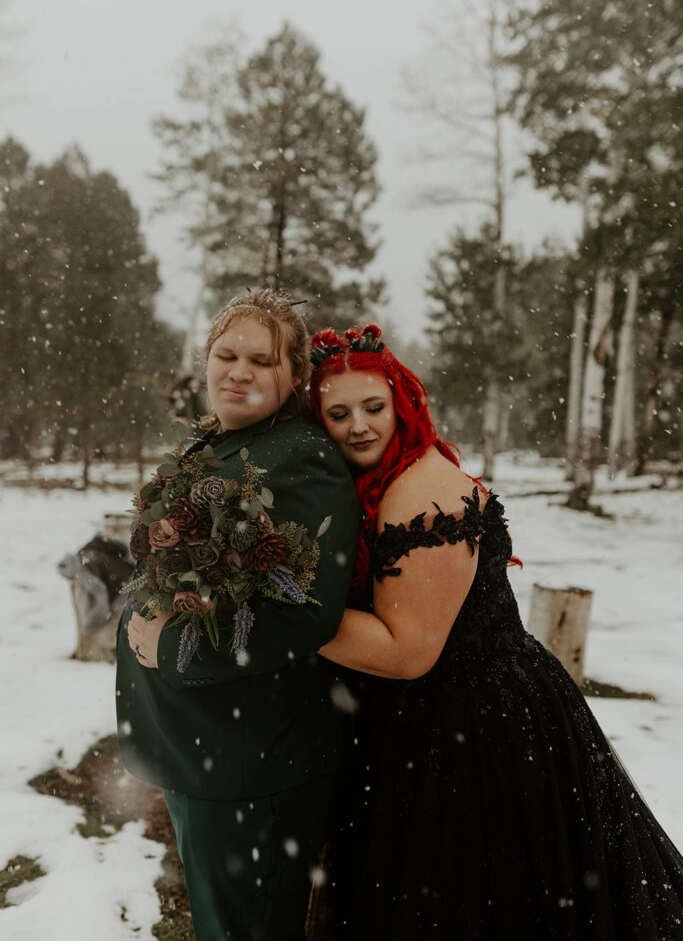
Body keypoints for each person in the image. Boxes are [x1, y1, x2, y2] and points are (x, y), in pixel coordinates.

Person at [306, 323, 683, 941]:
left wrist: (281, 613)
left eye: (374, 407)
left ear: (402, 404)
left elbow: (408, 653)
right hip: (440, 719)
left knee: (480, 900)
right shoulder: (380, 482)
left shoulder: (424, 495)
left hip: (477, 728)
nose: (359, 426)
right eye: (339, 413)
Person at [116, 290, 360, 941]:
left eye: (262, 359)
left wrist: (165, 649)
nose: (239, 371)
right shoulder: (216, 445)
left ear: (296, 376)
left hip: (252, 759)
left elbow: (304, 616)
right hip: (203, 749)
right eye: (226, 354)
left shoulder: (299, 457)